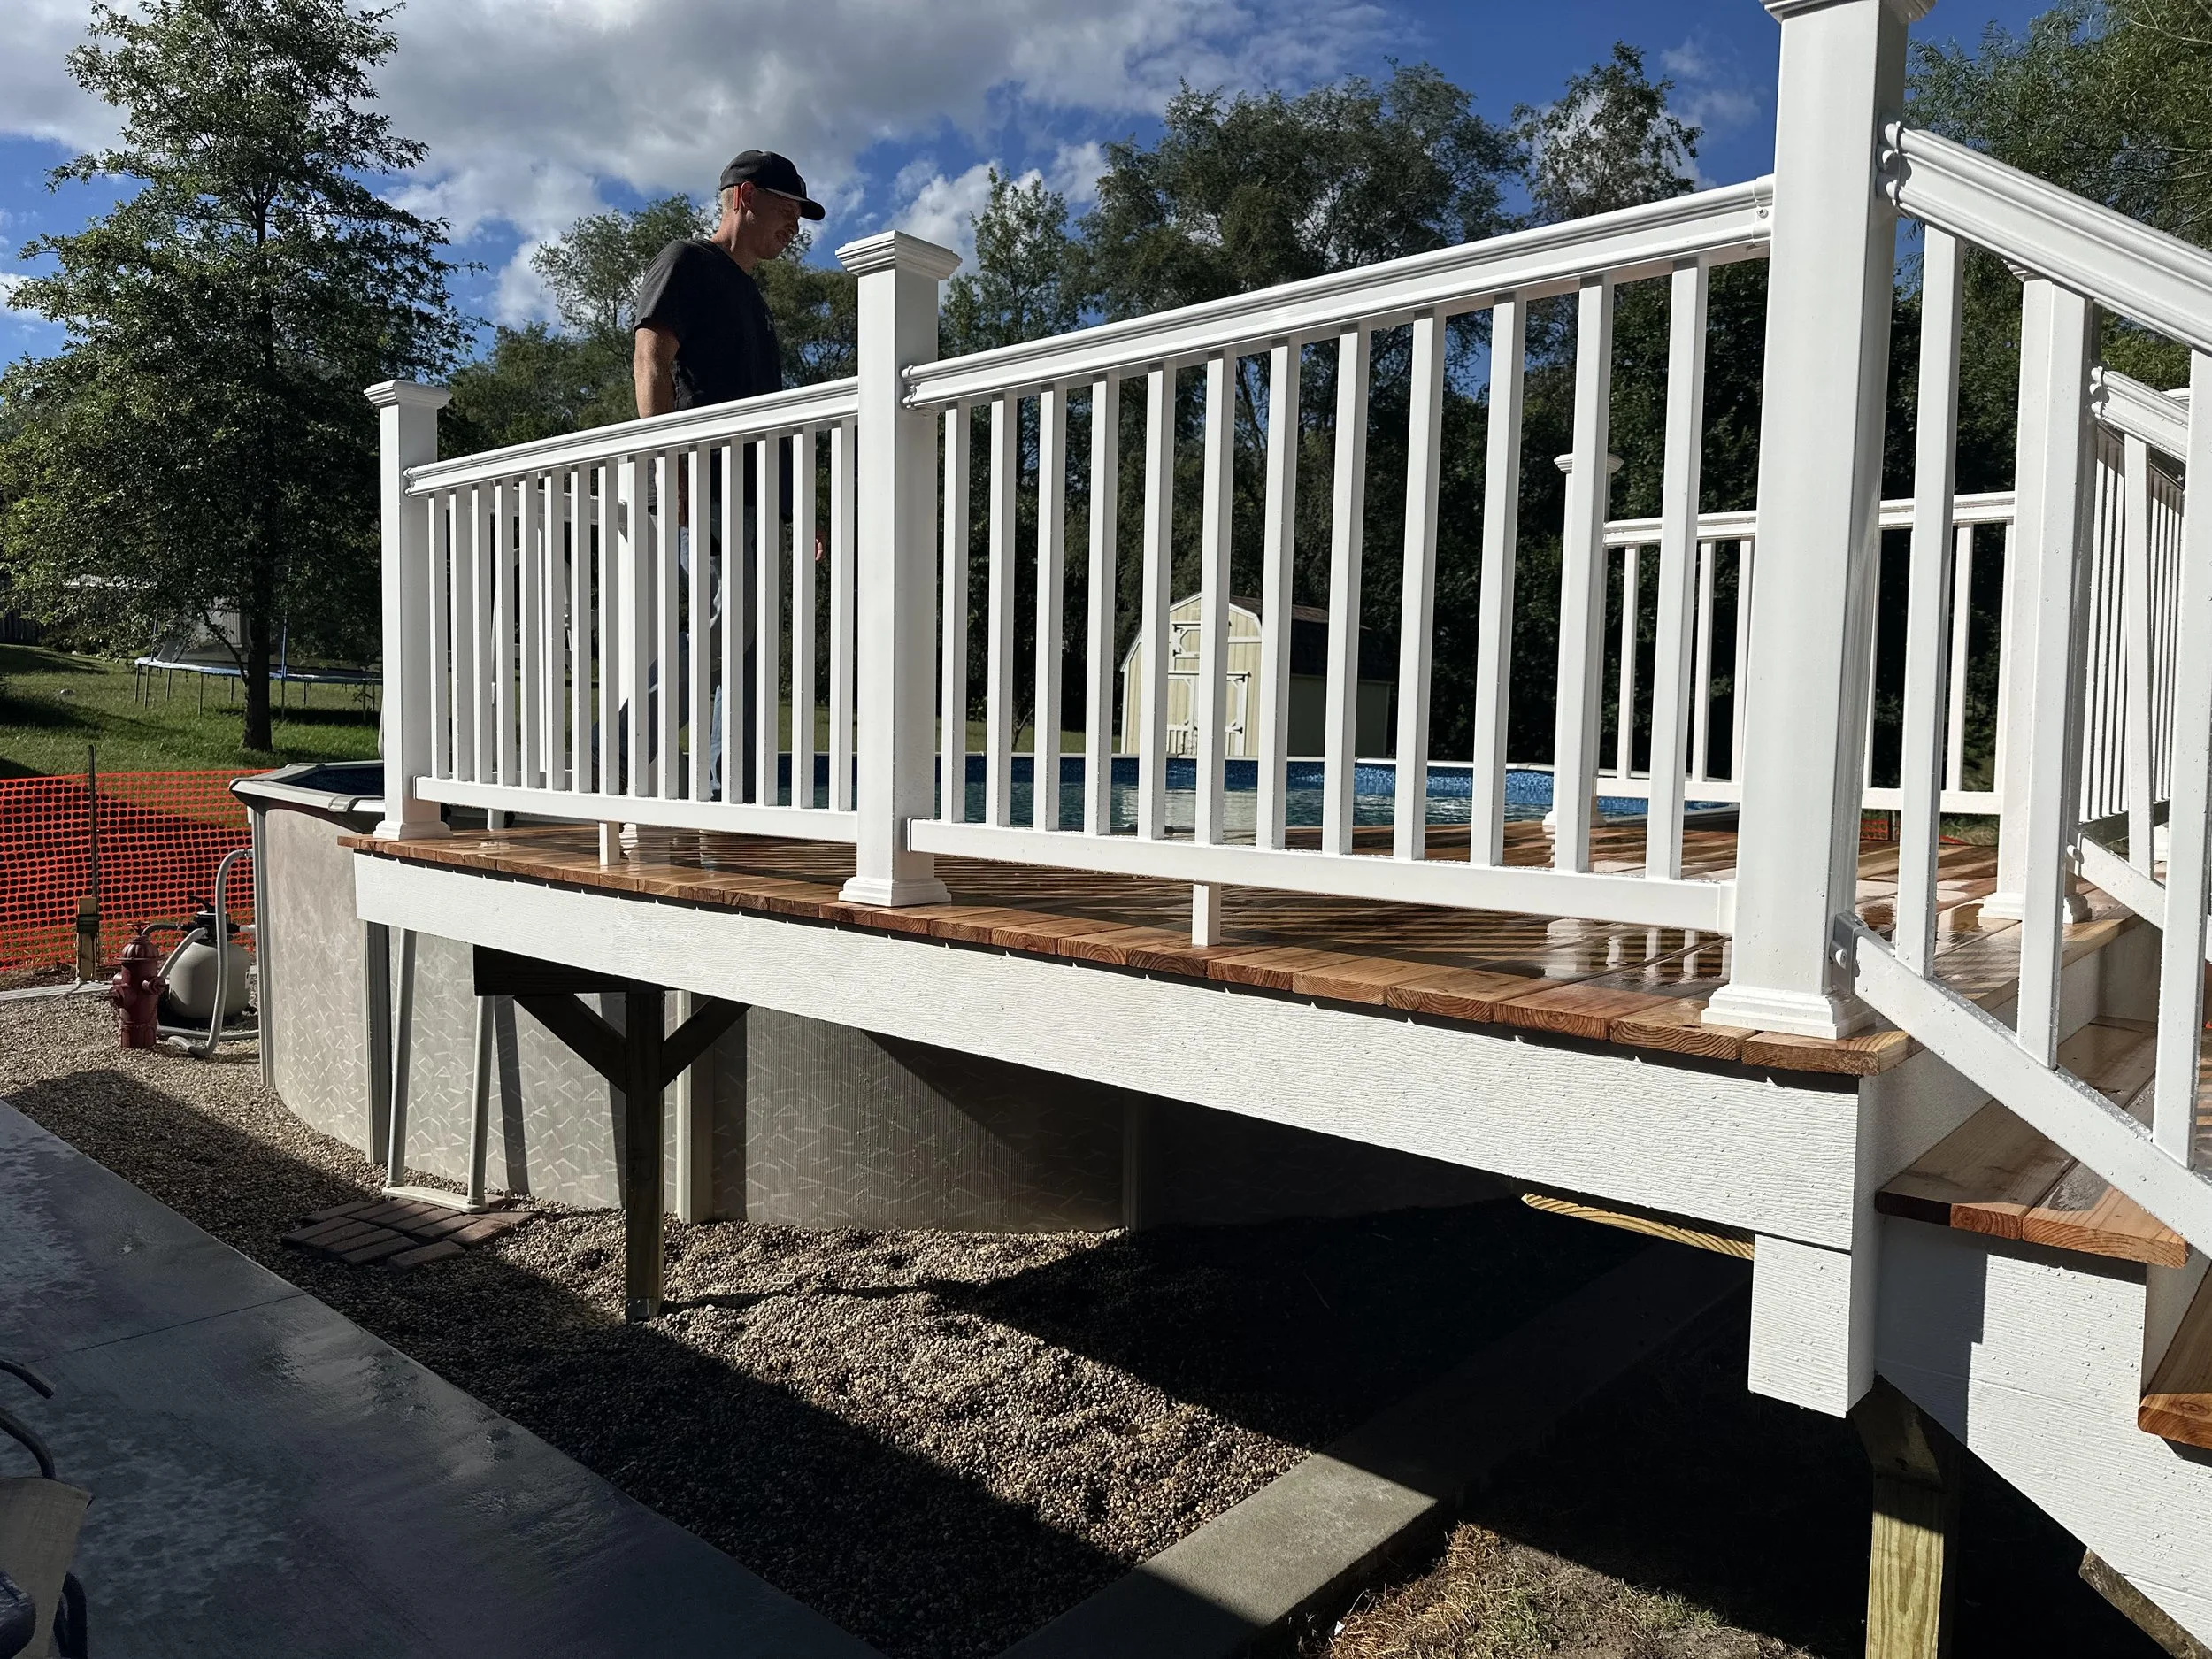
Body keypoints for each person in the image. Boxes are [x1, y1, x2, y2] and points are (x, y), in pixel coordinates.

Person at [625, 152, 823, 803]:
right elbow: (651, 356)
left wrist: (795, 512)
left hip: (756, 499)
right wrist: (669, 466)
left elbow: (766, 415)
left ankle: (729, 799)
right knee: (729, 623)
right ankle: (613, 755)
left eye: (800, 217)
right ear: (743, 196)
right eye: (787, 210)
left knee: (747, 647)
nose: (794, 227)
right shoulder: (687, 261)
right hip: (702, 485)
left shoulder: (753, 299)